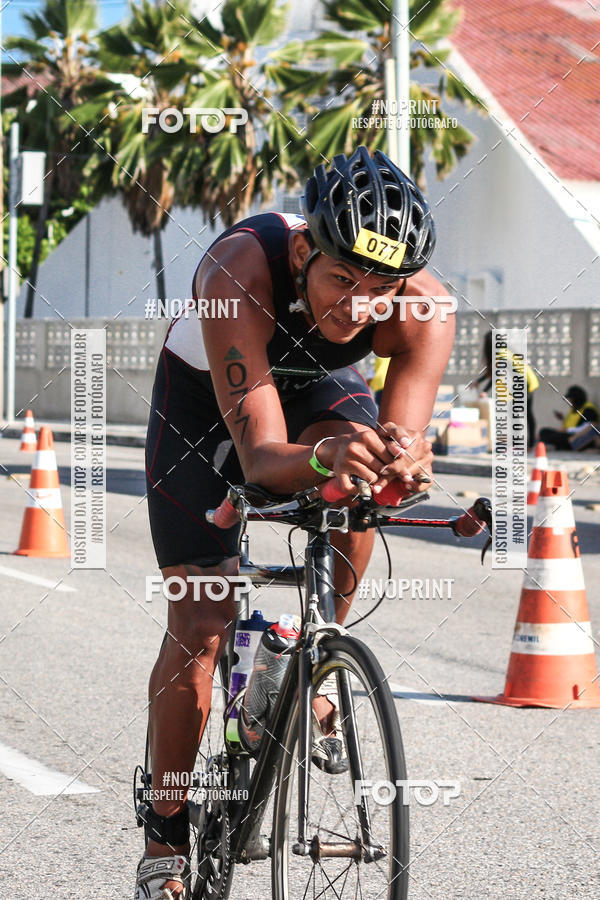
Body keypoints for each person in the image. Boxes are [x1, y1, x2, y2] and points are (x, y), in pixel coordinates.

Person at [135, 145, 455, 899]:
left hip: (315, 393)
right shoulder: (236, 270)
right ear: (305, 250)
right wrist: (321, 461)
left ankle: (310, 663)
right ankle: (164, 841)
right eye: (342, 279)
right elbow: (260, 457)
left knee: (365, 482)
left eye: (381, 289)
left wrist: (402, 463)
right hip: (203, 410)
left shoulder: (423, 313)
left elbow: (397, 453)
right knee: (204, 622)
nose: (359, 305)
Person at [475, 330, 539, 448]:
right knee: (525, 413)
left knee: (515, 412)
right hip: (530, 381)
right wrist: (478, 382)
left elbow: (496, 375)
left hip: (524, 383)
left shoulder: (501, 355)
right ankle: (528, 443)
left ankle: (519, 444)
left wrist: (484, 391)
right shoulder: (507, 352)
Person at [539, 385, 599, 450]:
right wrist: (562, 419)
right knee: (544, 431)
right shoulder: (574, 408)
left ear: (576, 399)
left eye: (570, 399)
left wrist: (567, 430)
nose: (569, 401)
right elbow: (571, 423)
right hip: (567, 433)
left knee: (554, 437)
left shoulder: (589, 410)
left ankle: (558, 446)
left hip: (576, 436)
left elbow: (588, 427)